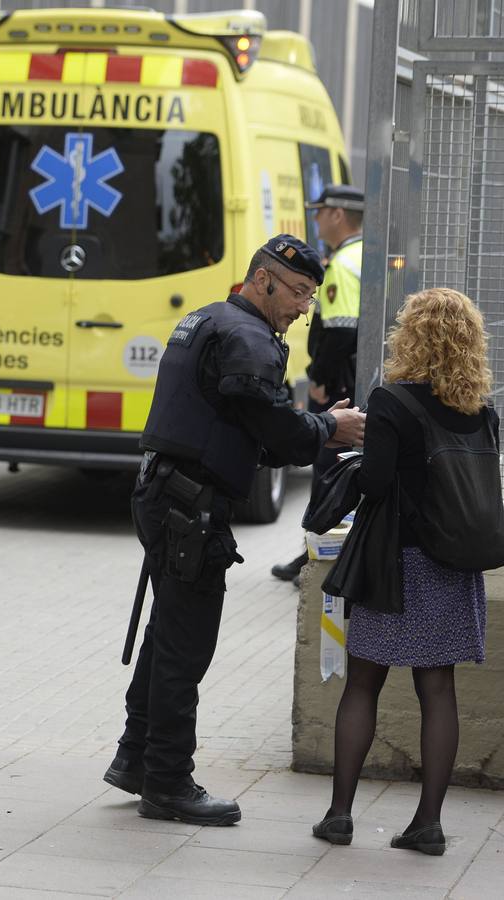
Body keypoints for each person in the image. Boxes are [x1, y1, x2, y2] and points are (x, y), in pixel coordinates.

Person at [105, 235, 366, 826]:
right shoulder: (249, 338)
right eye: (298, 292)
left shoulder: (207, 319)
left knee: (168, 630)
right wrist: (330, 426)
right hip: (188, 506)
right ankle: (168, 781)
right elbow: (273, 429)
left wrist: (315, 425)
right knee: (185, 642)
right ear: (263, 279)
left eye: (310, 296)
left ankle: (137, 758)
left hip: (166, 494)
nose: (304, 308)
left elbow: (246, 432)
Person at [312, 288, 496, 856]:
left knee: (364, 682)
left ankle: (340, 816)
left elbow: (374, 484)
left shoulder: (391, 401)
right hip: (452, 567)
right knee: (437, 687)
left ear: (410, 336)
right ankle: (428, 825)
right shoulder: (482, 413)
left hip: (395, 565)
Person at [273, 185, 365, 584]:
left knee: (327, 468)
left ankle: (314, 556)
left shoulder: (343, 263)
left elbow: (340, 333)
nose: (315, 219)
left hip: (338, 384)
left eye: (320, 211)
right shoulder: (367, 254)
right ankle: (318, 551)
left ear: (338, 215)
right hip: (360, 378)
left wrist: (322, 382)